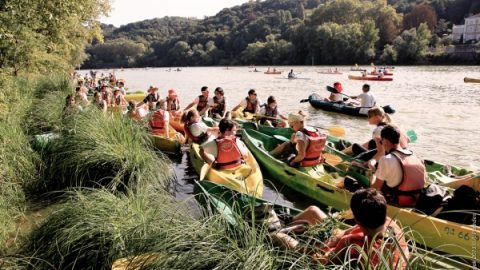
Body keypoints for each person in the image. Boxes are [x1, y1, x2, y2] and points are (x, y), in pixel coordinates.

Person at [271, 188, 409, 268]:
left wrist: (316, 247)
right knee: (313, 211)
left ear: (356, 218)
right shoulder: (389, 223)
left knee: (278, 237)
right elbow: (345, 231)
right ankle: (288, 224)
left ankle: (276, 232)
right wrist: (330, 241)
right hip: (336, 246)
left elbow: (323, 261)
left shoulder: (352, 242)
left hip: (327, 256)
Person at [370, 125, 426, 207]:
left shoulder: (386, 159)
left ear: (385, 141)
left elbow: (375, 189)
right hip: (417, 200)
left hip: (398, 201)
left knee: (353, 183)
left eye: (381, 142)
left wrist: (372, 175)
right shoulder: (416, 157)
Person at [342, 107, 408, 162]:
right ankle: (347, 150)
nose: (368, 119)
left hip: (384, 158)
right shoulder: (393, 126)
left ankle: (342, 152)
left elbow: (381, 152)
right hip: (398, 156)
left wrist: (367, 164)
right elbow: (407, 140)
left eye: (369, 116)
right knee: (372, 142)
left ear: (377, 117)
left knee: (355, 146)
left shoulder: (378, 130)